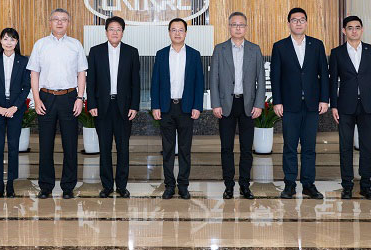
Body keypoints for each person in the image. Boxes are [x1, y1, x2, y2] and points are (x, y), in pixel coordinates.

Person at [27, 8, 88, 199]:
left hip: (70, 98)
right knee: (45, 144)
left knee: (70, 144)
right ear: (50, 22)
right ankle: (46, 186)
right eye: (56, 19)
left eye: (64, 19)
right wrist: (36, 99)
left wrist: (80, 98)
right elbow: (34, 73)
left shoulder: (75, 45)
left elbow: (81, 73)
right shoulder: (40, 44)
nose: (60, 22)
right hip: (46, 98)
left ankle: (68, 186)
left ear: (68, 23)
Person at [271, 7, 329, 200]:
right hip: (289, 105)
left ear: (306, 23)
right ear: (289, 23)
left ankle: (308, 184)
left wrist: (324, 99)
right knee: (289, 146)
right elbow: (275, 76)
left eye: (302, 19)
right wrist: (277, 101)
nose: (298, 23)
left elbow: (324, 74)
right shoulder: (280, 46)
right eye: (294, 20)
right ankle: (289, 184)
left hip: (312, 105)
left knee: (309, 147)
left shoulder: (317, 45)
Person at [210, 11, 266, 200]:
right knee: (226, 147)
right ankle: (228, 185)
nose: (238, 28)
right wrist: (215, 104)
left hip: (248, 105)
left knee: (246, 148)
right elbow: (214, 78)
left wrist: (259, 104)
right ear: (229, 27)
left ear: (246, 28)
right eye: (234, 25)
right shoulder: (220, 49)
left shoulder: (254, 49)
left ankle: (244, 185)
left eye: (241, 25)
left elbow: (261, 79)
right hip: (226, 104)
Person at [329, 16, 371, 200]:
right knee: (345, 147)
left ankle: (366, 185)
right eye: (350, 28)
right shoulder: (337, 53)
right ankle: (347, 185)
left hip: (368, 105)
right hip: (345, 106)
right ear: (344, 31)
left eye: (357, 27)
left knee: (367, 146)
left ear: (362, 29)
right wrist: (333, 105)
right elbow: (332, 81)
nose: (354, 31)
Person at [86, 16, 141, 198]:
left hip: (124, 107)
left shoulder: (131, 52)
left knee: (123, 148)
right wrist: (91, 104)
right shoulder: (96, 51)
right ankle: (107, 186)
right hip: (102, 107)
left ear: (122, 32)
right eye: (111, 29)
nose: (115, 32)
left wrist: (134, 105)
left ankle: (122, 186)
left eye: (118, 29)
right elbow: (91, 81)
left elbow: (136, 82)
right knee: (105, 148)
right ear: (106, 32)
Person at [150, 18, 204, 200]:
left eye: (181, 30)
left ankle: (183, 186)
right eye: (174, 30)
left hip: (186, 108)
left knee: (185, 149)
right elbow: (155, 82)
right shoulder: (161, 54)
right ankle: (169, 186)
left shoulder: (194, 55)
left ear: (186, 33)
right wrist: (155, 106)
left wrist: (197, 106)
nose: (177, 33)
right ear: (169, 33)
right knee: (167, 149)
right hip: (166, 108)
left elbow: (199, 83)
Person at [0, 28, 30, 198]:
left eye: (12, 39)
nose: (9, 42)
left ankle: (10, 183)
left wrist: (15, 107)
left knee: (13, 146)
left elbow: (26, 87)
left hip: (15, 109)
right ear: (1, 41)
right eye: (5, 39)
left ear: (17, 42)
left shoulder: (23, 61)